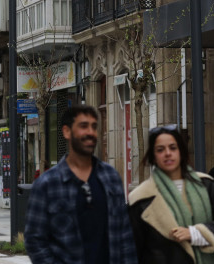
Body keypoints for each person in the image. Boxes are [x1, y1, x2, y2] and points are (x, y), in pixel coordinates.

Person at [25, 105, 137, 264]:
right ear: (67, 132)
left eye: (94, 127)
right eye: (83, 126)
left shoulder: (110, 177)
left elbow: (125, 235)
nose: (90, 132)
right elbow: (34, 240)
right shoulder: (47, 184)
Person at [129, 125, 214, 264]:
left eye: (173, 147)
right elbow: (132, 251)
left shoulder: (206, 185)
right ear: (153, 156)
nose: (167, 153)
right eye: (160, 150)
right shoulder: (141, 198)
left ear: (181, 151)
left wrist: (196, 233)